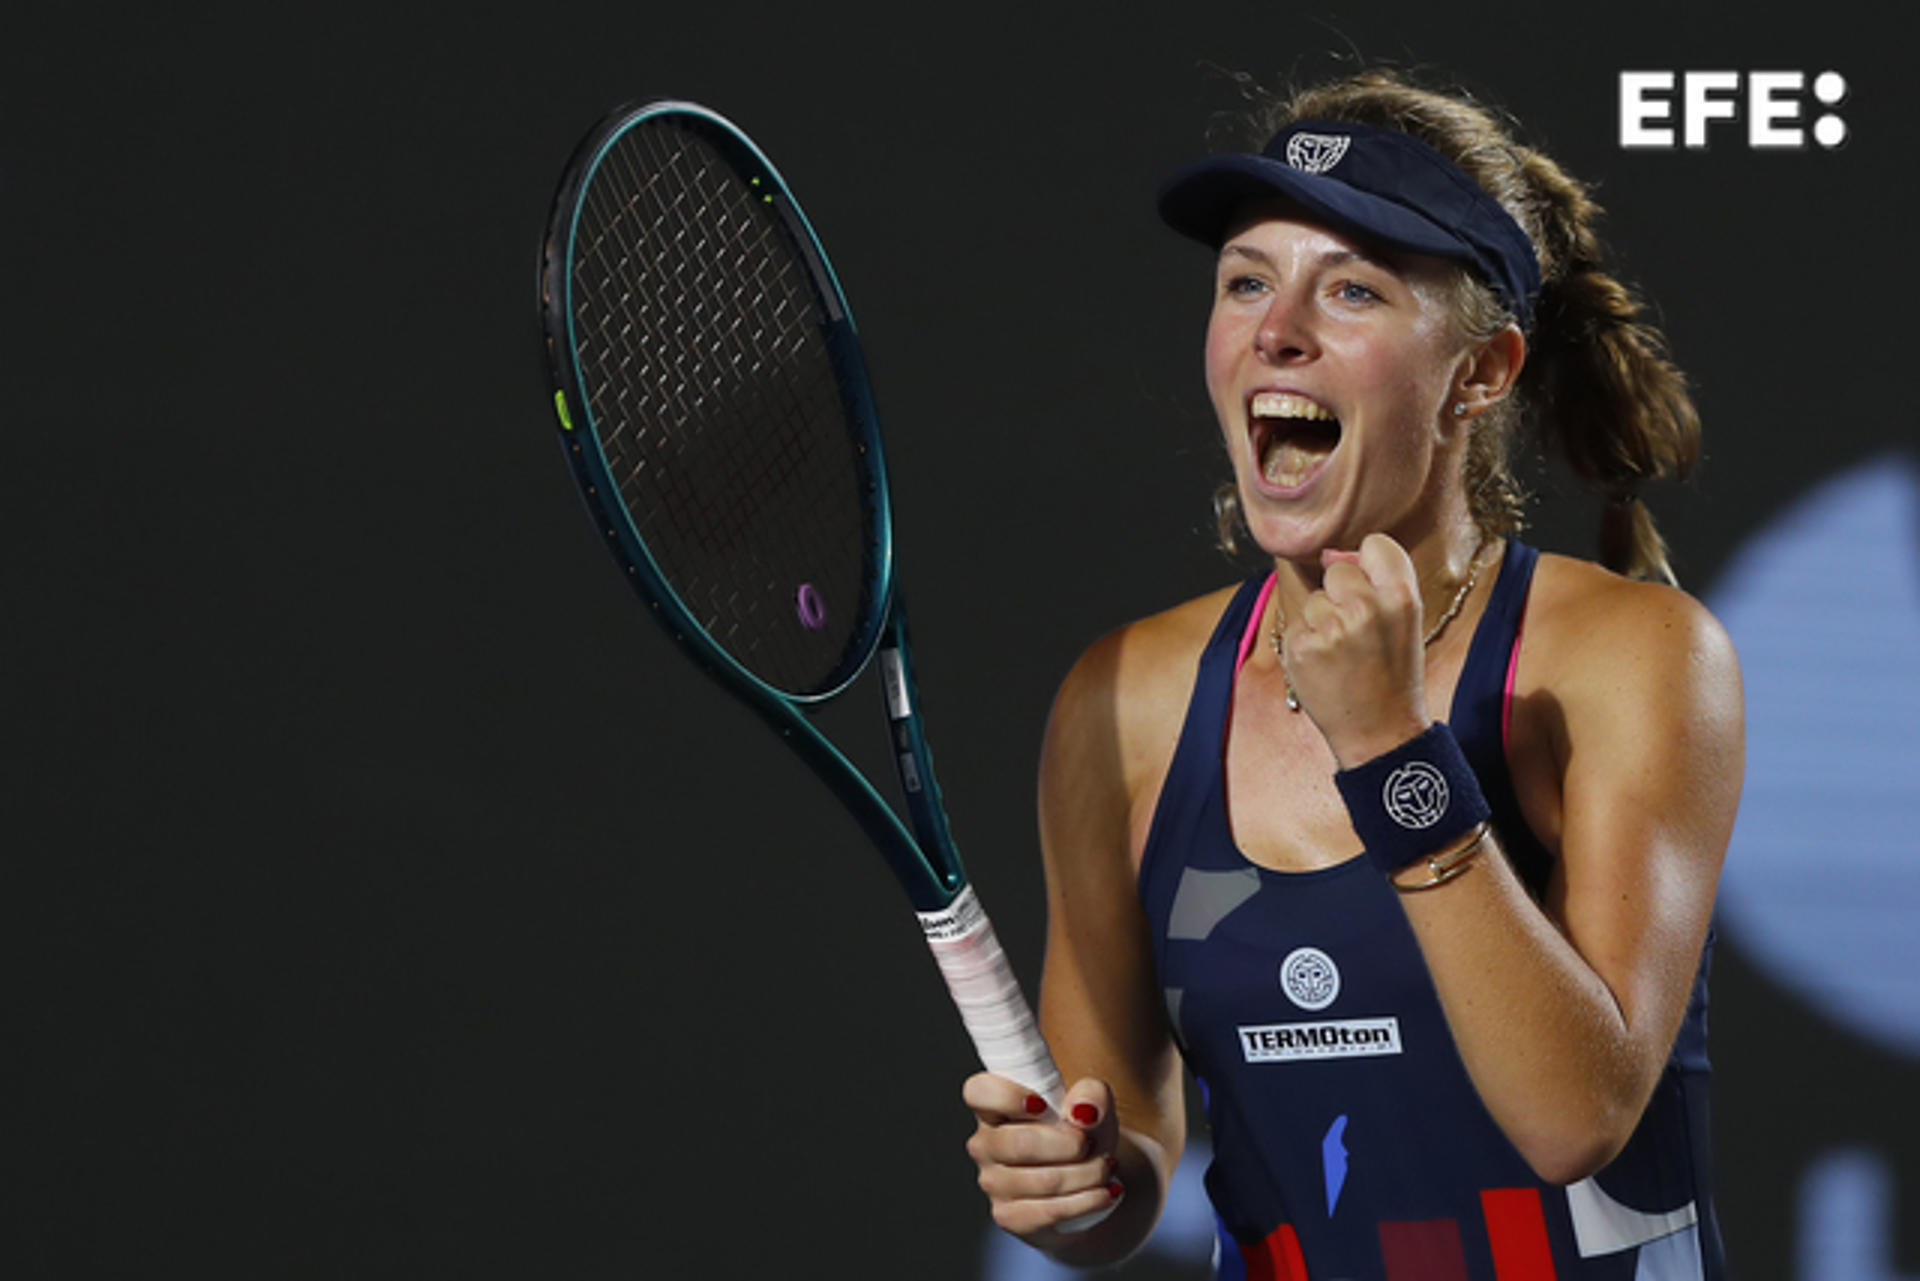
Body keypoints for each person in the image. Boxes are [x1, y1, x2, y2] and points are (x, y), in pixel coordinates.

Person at [962, 69, 1743, 1279]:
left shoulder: (1635, 656)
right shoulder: (1121, 696)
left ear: (1480, 374)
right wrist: (1074, 1188)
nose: (1278, 329)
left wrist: (1389, 750)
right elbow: (1127, 1165)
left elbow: (1574, 1119)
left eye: (1353, 289)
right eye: (1246, 281)